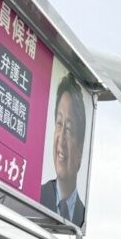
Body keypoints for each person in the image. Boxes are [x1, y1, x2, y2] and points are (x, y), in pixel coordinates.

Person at [40, 74, 88, 228]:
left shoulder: (81, 217)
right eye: (59, 124)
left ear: (80, 150)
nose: (61, 140)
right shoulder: (37, 197)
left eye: (68, 129)